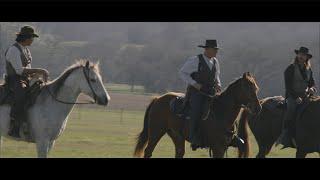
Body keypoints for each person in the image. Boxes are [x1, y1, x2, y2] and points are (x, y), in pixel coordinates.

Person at [4, 25, 49, 138]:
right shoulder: (13, 50)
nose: (33, 40)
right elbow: (19, 71)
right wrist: (39, 70)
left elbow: (28, 69)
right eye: (32, 37)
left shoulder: (26, 50)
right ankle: (14, 126)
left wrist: (36, 75)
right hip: (15, 80)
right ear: (26, 38)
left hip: (25, 79)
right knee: (22, 95)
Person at [179, 40, 222, 150]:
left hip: (211, 93)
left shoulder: (216, 61)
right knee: (196, 112)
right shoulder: (195, 60)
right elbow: (182, 73)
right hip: (197, 93)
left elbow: (216, 76)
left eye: (217, 50)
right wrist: (194, 83)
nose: (216, 52)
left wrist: (218, 84)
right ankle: (194, 139)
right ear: (207, 49)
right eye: (214, 49)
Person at [276, 46, 316, 149]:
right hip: (292, 97)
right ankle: (286, 135)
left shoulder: (309, 70)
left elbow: (312, 83)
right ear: (297, 55)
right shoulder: (290, 69)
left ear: (307, 57)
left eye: (304, 55)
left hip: (306, 97)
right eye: (300, 54)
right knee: (291, 109)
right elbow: (288, 87)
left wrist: (312, 89)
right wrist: (295, 97)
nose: (302, 57)